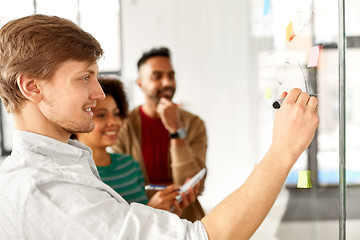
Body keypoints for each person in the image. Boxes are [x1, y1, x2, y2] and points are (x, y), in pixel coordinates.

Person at [0, 14, 319, 240]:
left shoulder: (62, 167)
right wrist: (283, 149)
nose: (98, 94)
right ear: (32, 87)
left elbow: (194, 183)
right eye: (85, 77)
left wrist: (177, 133)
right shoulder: (45, 189)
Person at [74, 76, 198, 217]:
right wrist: (151, 209)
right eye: (101, 115)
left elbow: (149, 226)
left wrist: (168, 212)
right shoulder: (76, 174)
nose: (114, 122)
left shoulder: (130, 166)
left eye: (116, 114)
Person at [112, 47, 208, 222]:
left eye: (171, 75)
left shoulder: (194, 124)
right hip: (143, 219)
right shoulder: (124, 125)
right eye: (157, 76)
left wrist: (176, 130)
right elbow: (121, 184)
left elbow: (195, 186)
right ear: (140, 83)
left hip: (187, 220)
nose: (167, 83)